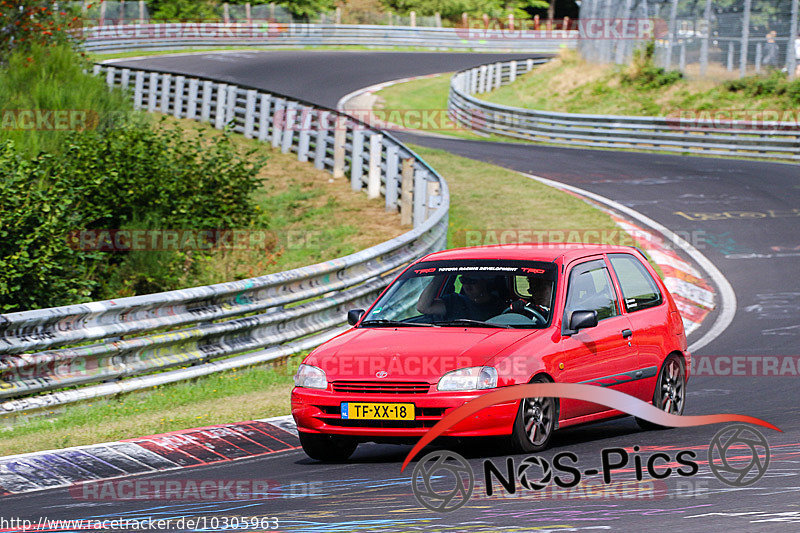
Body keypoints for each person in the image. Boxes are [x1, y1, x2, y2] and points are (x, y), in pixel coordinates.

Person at [417, 274, 507, 321]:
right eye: (463, 280)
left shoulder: (501, 307)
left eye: (472, 281)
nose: (467, 285)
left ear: (484, 282)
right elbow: (423, 307)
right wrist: (439, 277)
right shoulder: (454, 301)